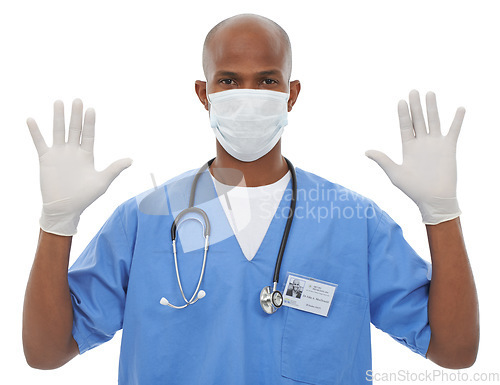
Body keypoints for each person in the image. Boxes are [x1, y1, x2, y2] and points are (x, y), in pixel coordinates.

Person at [22, 13, 479, 385]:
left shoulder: (353, 223)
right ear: (204, 94)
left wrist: (441, 213)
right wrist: (56, 222)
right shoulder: (145, 222)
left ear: (291, 94)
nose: (247, 96)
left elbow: (455, 351)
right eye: (227, 81)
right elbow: (45, 353)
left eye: (266, 80)